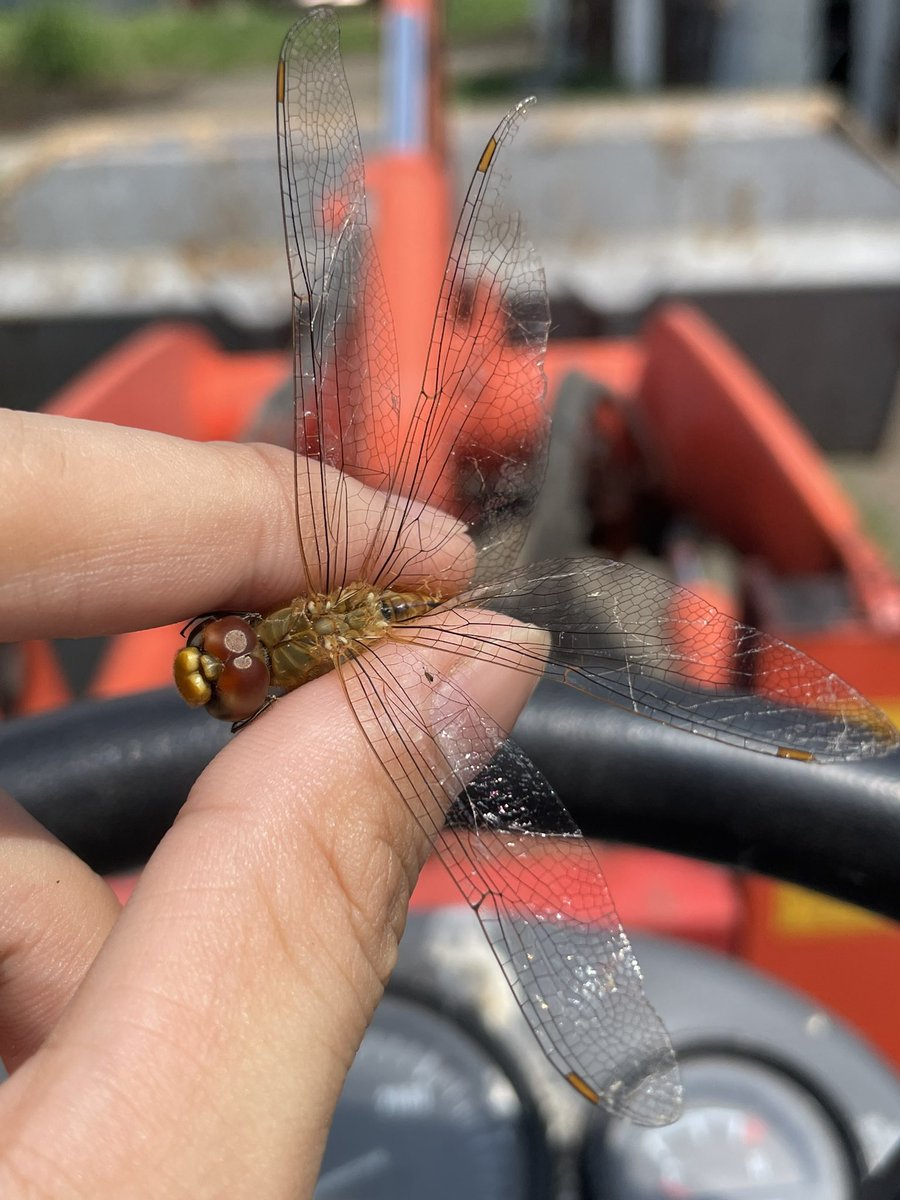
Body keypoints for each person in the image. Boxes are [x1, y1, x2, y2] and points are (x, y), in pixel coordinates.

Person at [0, 408, 537, 1198]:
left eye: (210, 657)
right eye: (215, 666)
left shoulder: (286, 657)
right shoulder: (286, 612)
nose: (202, 672)